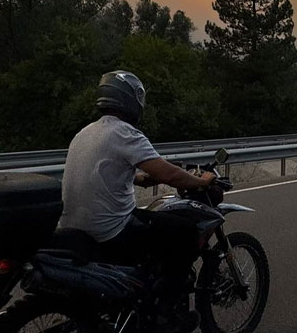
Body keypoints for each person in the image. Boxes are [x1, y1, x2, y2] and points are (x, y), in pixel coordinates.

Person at [58, 70, 216, 333]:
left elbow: (104, 172)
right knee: (185, 231)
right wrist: (202, 181)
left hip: (72, 226)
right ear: (132, 101)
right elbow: (170, 174)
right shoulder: (125, 134)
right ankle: (168, 317)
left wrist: (142, 178)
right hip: (110, 230)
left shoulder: (85, 132)